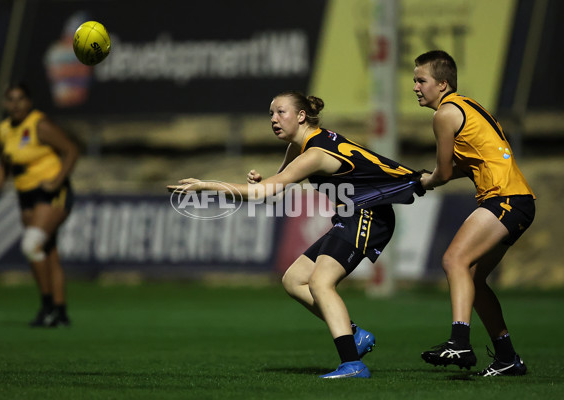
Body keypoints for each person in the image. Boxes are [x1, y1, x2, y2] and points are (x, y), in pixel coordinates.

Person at [168, 91, 425, 379]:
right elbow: (271, 189)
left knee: (320, 282)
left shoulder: (314, 154)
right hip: (351, 215)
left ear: (301, 116)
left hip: (368, 214)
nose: (274, 120)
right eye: (270, 114)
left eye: (281, 112)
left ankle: (353, 364)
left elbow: (263, 193)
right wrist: (263, 183)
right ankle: (354, 335)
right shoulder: (302, 146)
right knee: (294, 280)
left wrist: (206, 186)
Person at [413, 50, 535, 376]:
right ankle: (507, 357)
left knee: (454, 260)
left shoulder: (444, 115)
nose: (415, 87)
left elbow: (441, 172)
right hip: (518, 200)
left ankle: (459, 342)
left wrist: (421, 180)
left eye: (420, 80)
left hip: (504, 199)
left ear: (442, 83)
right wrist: (425, 178)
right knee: (475, 278)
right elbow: (465, 168)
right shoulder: (466, 106)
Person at [0, 83, 79, 327]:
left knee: (31, 244)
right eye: (11, 100)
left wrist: (57, 181)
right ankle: (60, 312)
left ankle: (47, 307)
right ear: (5, 104)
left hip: (51, 193)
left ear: (29, 102)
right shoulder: (4, 130)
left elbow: (71, 150)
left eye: (20, 99)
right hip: (26, 196)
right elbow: (4, 164)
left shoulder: (39, 124)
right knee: (48, 252)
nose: (15, 104)